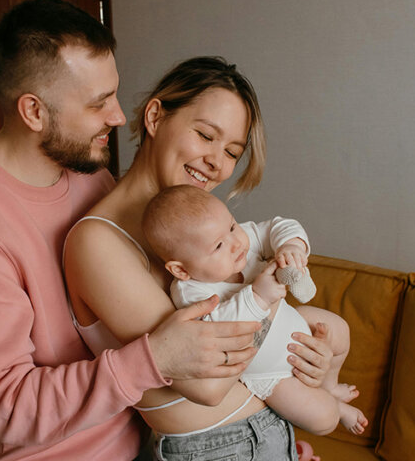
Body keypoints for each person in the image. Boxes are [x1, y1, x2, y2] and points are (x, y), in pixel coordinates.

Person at [0, 0, 329, 461]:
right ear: (33, 111)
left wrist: (251, 431)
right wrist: (157, 359)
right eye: (98, 102)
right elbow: (5, 406)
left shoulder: (88, 174)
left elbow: (158, 327)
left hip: (148, 455)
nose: (118, 116)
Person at [63, 56, 341, 461]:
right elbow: (205, 384)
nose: (217, 162)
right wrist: (274, 313)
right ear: (155, 117)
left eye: (233, 151)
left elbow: (244, 328)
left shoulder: (197, 231)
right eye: (206, 135)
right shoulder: (98, 241)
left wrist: (305, 354)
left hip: (268, 439)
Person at [143, 184, 369, 436]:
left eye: (231, 226)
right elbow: (217, 334)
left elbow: (278, 226)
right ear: (181, 270)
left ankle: (330, 385)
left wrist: (291, 247)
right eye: (218, 246)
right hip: (270, 374)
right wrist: (258, 297)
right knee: (323, 420)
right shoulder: (191, 292)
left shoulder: (243, 242)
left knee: (338, 328)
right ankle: (336, 407)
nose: (236, 243)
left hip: (292, 322)